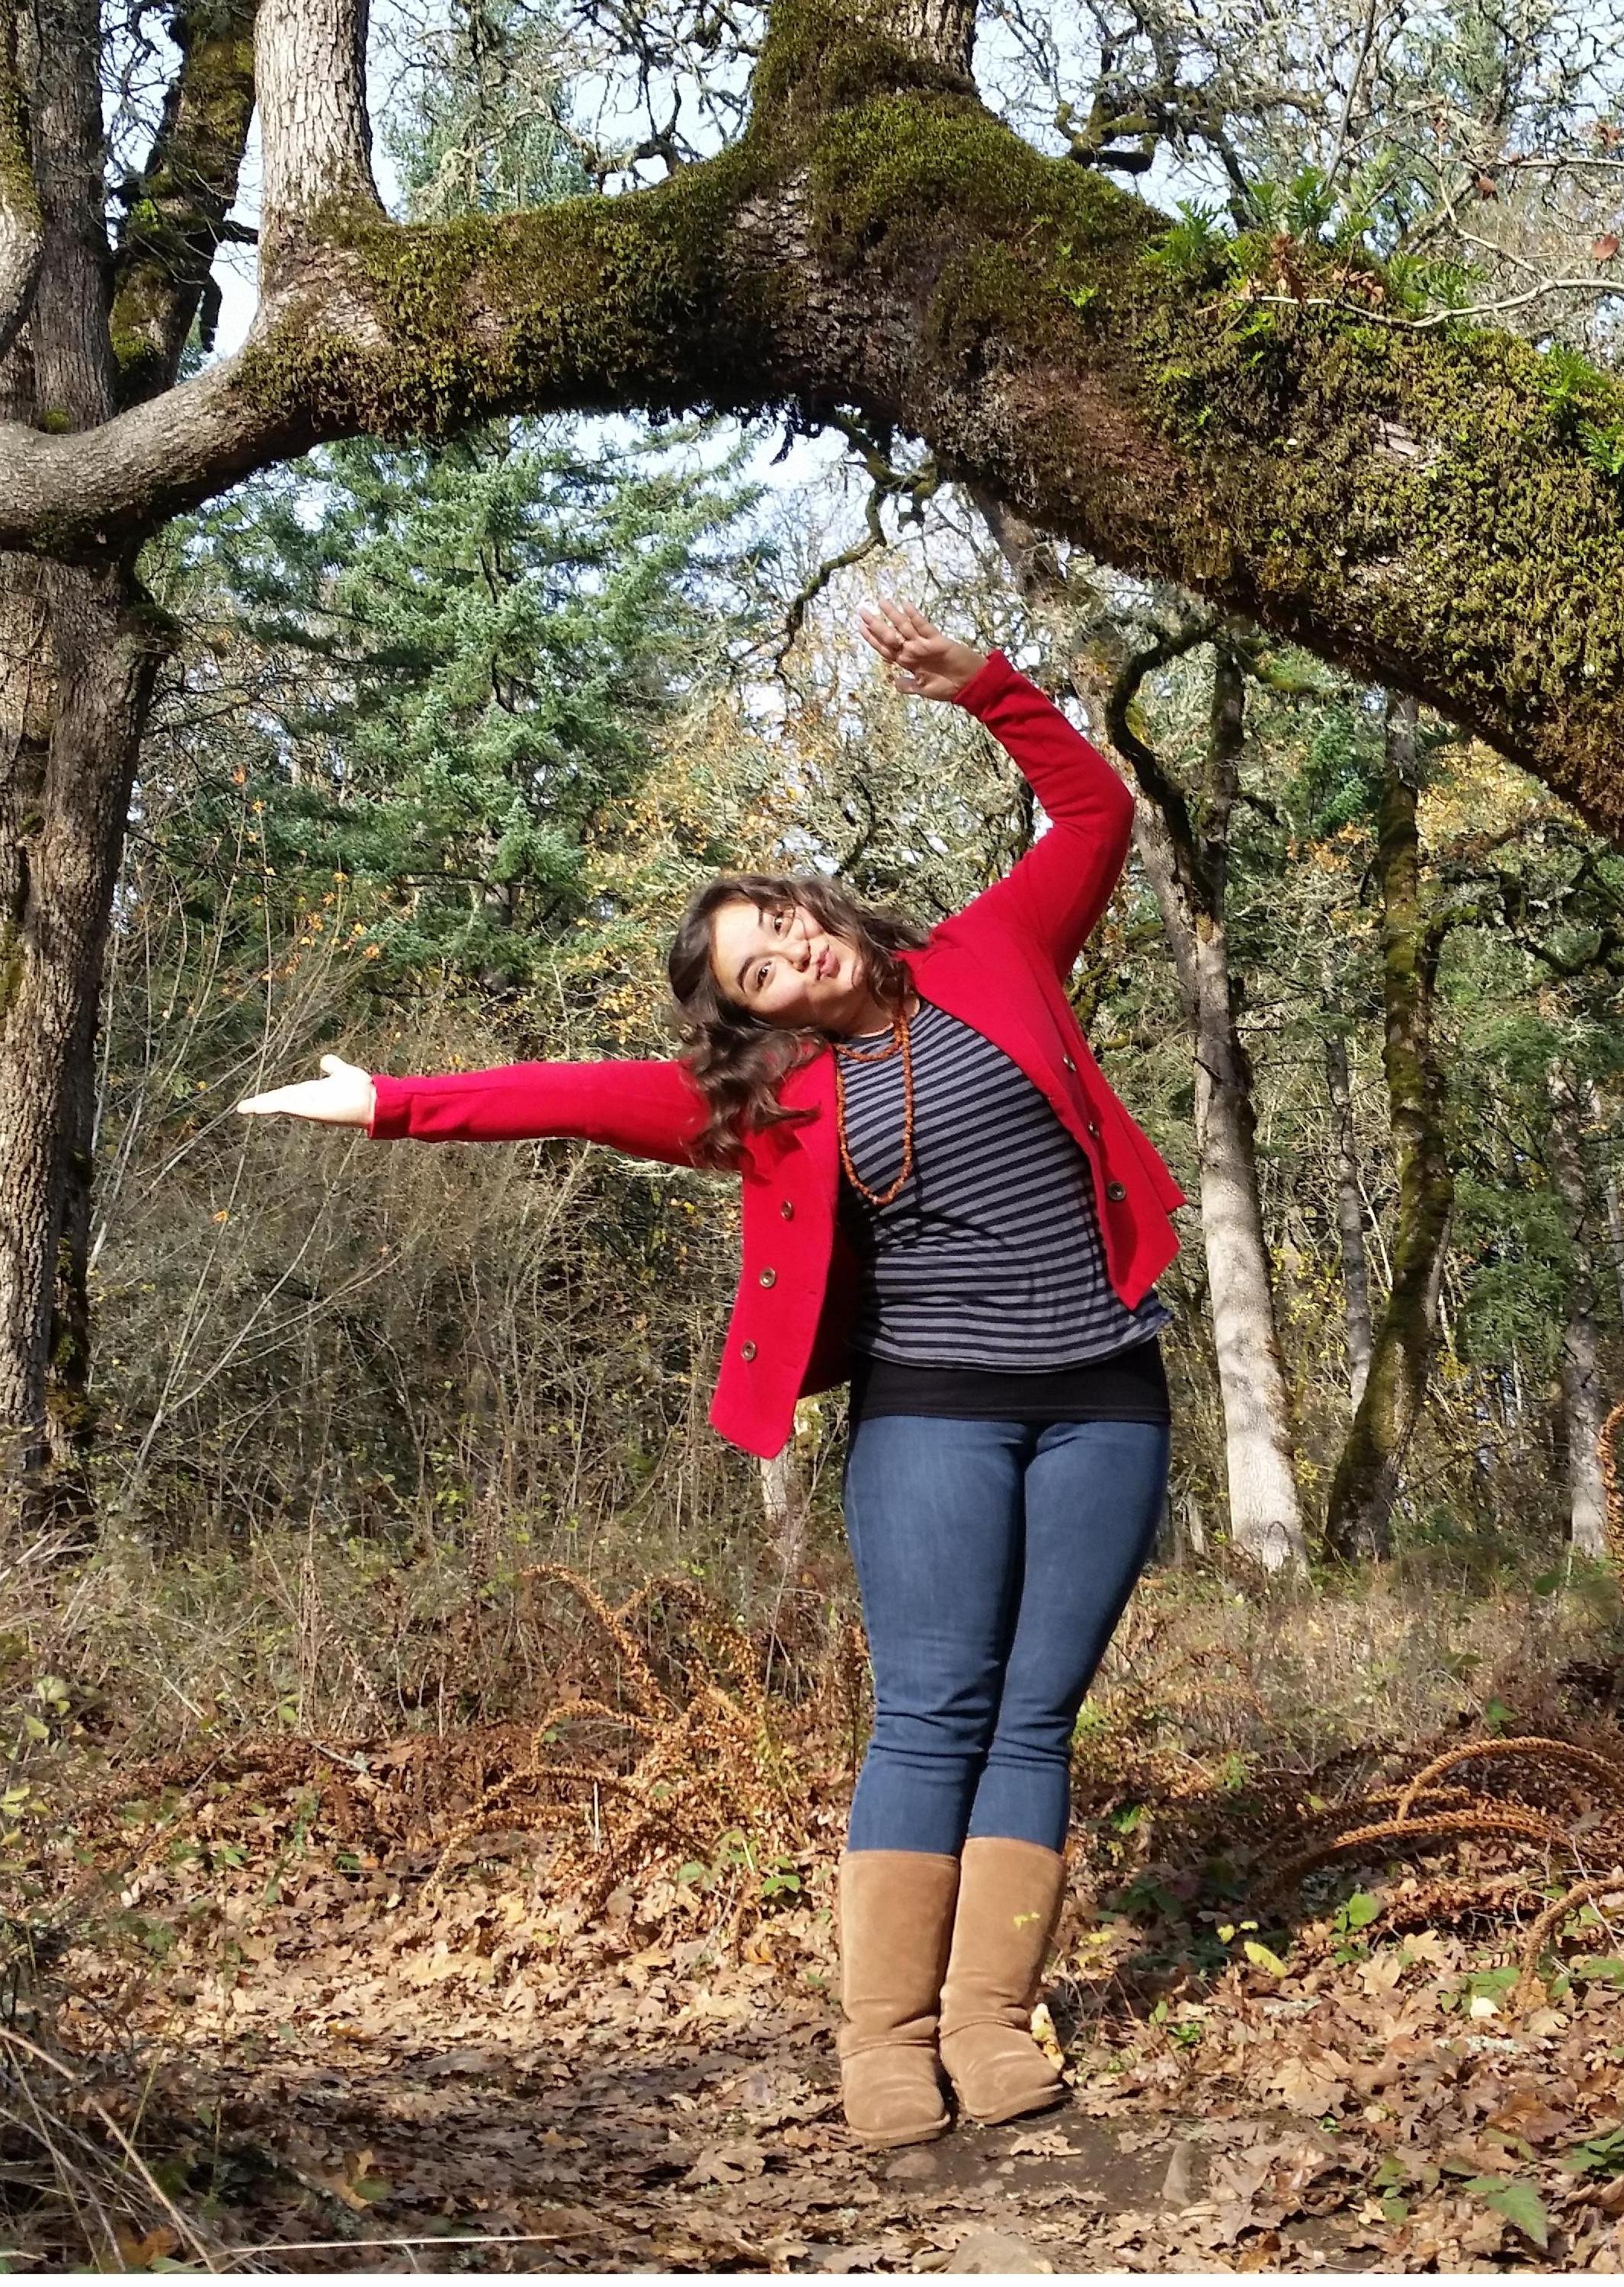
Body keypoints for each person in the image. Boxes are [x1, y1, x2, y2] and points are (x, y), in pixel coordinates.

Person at [238, 597, 1187, 2149]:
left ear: (820, 906)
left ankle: (989, 2015)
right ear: (743, 1010)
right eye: (754, 972)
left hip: (1101, 1390)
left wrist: (985, 690)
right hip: (933, 1408)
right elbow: (566, 1094)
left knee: (1037, 1717)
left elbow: (1095, 810)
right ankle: (884, 2041)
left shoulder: (997, 954)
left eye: (783, 925)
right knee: (934, 1709)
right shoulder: (763, 1101)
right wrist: (392, 1100)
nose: (790, 959)